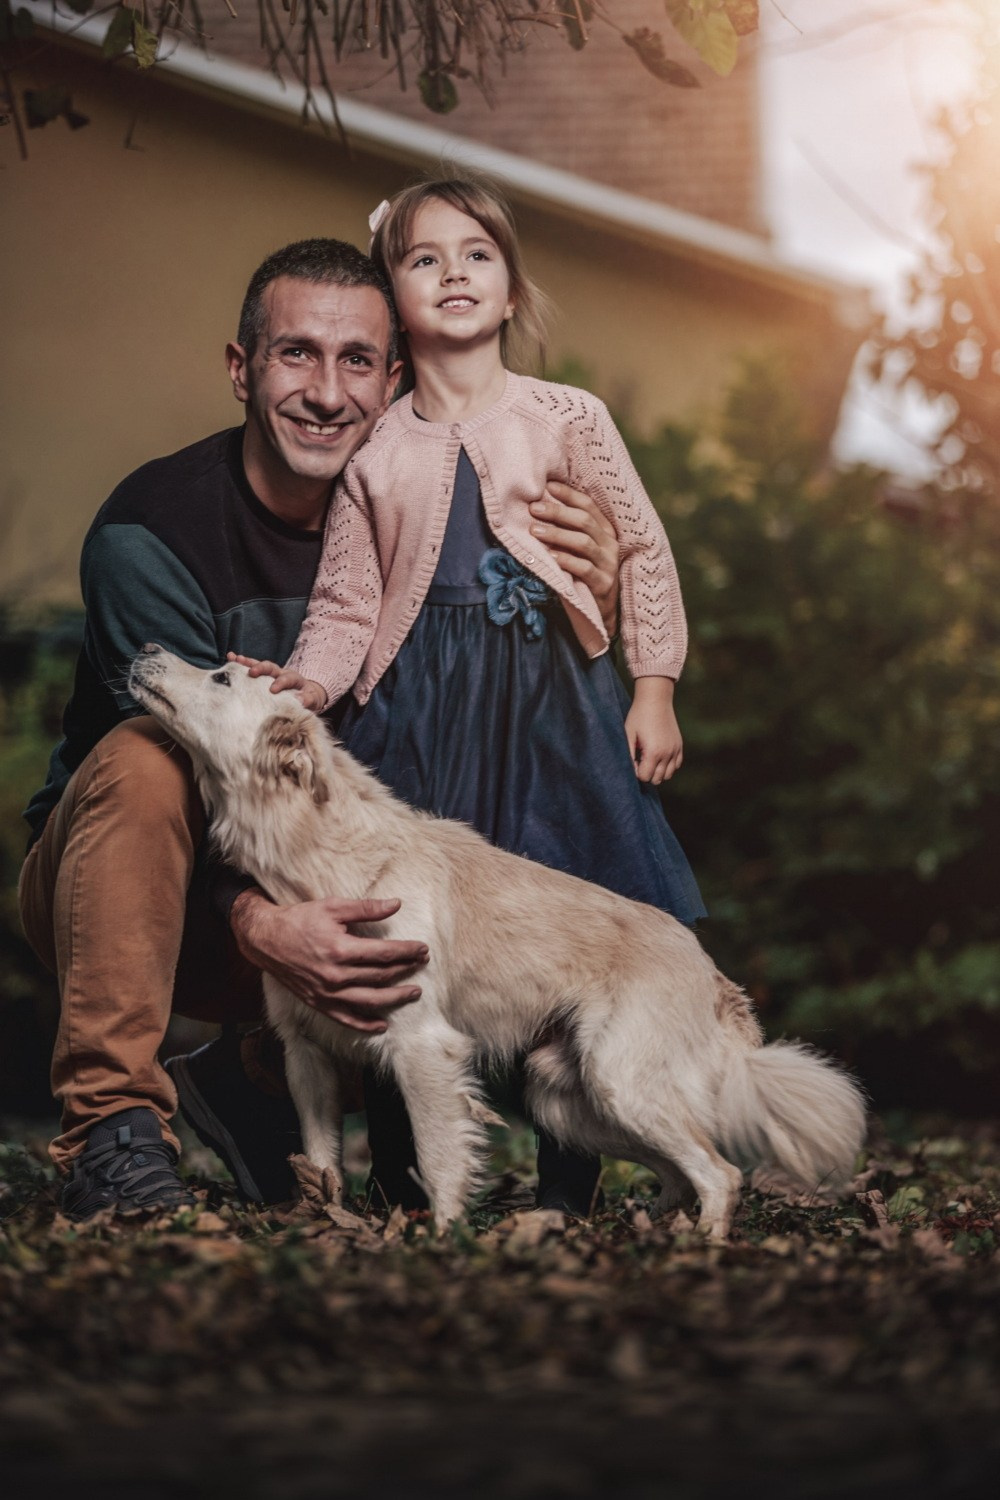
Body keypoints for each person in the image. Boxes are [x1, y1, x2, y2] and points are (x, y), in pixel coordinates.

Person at [18, 235, 621, 1220]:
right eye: (296, 353)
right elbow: (192, 773)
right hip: (126, 890)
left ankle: (255, 1083)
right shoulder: (152, 530)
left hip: (329, 887)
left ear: (393, 383)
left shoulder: (435, 517)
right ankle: (112, 1131)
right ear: (241, 369)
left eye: (355, 362)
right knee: (146, 759)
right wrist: (261, 925)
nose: (326, 393)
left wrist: (588, 585)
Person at [236, 179, 705, 1218]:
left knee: (565, 921)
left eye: (475, 255)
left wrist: (655, 685)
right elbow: (350, 601)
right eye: (422, 258)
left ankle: (566, 1186)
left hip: (551, 709)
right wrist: (308, 683)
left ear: (509, 288)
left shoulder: (566, 416)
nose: (453, 274)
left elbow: (640, 551)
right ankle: (409, 1180)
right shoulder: (374, 450)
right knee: (412, 939)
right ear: (392, 300)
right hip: (418, 713)